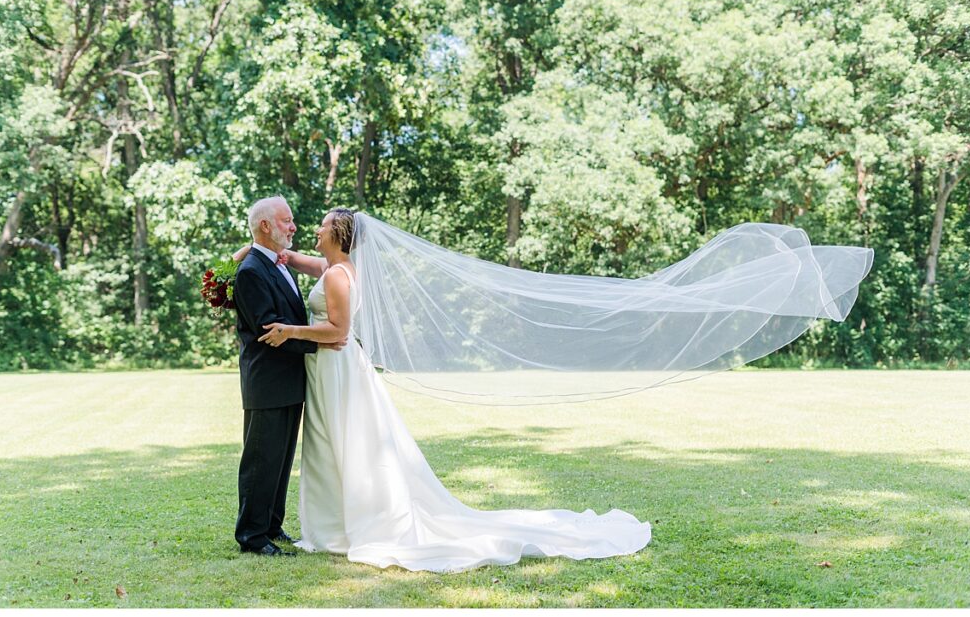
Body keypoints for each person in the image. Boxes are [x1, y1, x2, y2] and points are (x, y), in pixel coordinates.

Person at [247, 208, 653, 572]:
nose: (312, 231)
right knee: (334, 445)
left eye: (321, 227)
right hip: (330, 369)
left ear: (336, 234)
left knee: (342, 443)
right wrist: (254, 252)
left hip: (335, 367)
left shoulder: (337, 274)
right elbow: (298, 261)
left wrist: (291, 330)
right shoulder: (336, 267)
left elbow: (338, 332)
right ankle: (334, 523)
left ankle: (346, 525)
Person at [230, 196, 345, 557]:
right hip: (267, 381)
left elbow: (293, 320)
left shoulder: (280, 264)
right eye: (286, 220)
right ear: (265, 226)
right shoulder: (250, 271)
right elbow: (270, 330)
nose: (294, 227)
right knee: (260, 460)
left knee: (280, 461)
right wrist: (318, 345)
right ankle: (251, 536)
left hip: (291, 379)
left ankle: (271, 525)